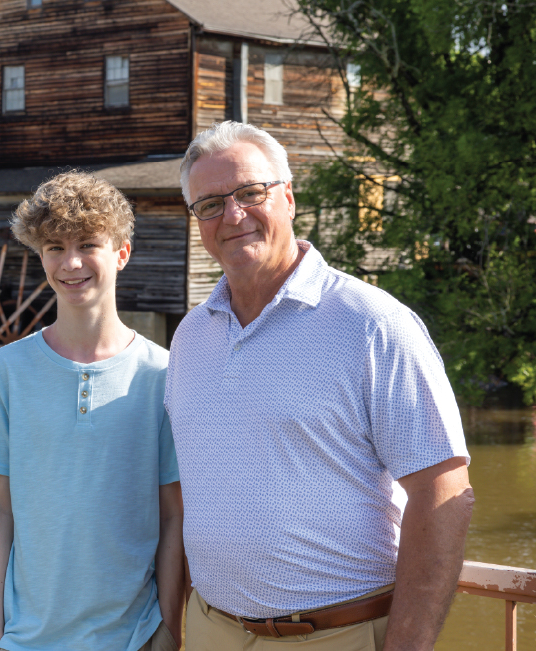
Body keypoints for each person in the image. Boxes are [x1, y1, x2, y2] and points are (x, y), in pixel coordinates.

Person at [166, 120, 474, 650]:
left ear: (287, 197)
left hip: (338, 634)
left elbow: (443, 491)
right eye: (210, 204)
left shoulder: (371, 323)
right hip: (214, 630)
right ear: (198, 221)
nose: (233, 215)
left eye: (250, 192)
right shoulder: (191, 336)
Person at [0, 171, 184, 651]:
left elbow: (174, 514)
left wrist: (170, 628)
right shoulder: (5, 370)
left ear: (121, 253)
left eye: (88, 244)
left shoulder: (164, 373)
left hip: (133, 635)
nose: (71, 263)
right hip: (26, 637)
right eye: (54, 247)